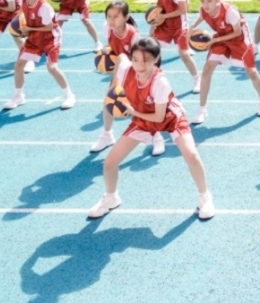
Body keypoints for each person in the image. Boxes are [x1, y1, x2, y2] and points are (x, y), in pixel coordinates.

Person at [86, 37, 216, 221]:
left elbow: (159, 117)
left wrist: (132, 111)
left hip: (169, 117)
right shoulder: (126, 69)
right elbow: (121, 57)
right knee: (109, 163)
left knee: (192, 156)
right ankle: (111, 197)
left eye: (146, 60)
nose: (140, 64)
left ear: (156, 59)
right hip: (142, 117)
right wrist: (115, 86)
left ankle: (205, 197)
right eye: (136, 59)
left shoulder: (160, 81)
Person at [190, 0, 260, 125]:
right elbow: (201, 16)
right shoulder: (203, 9)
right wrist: (191, 28)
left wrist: (215, 40)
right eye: (202, 1)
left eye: (209, 0)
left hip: (240, 39)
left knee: (251, 72)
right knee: (207, 69)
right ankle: (202, 109)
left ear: (218, 0)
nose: (205, 4)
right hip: (221, 37)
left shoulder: (229, 11)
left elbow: (237, 32)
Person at [91, 1, 161, 155]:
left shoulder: (133, 36)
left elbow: (138, 59)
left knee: (142, 107)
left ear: (126, 17)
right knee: (108, 101)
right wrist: (107, 63)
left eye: (116, 16)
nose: (111, 20)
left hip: (137, 70)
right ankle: (107, 135)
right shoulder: (107, 28)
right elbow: (112, 49)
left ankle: (157, 138)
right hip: (120, 70)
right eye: (109, 16)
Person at [3, 0, 75, 111]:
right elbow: (22, 12)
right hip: (34, 37)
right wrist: (20, 25)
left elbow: (48, 27)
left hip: (50, 37)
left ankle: (69, 95)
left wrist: (28, 29)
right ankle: (18, 96)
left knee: (52, 68)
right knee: (19, 65)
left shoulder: (44, 7)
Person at [150, 0, 200, 92]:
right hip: (164, 24)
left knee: (184, 54)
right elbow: (159, 7)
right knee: (151, 50)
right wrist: (153, 24)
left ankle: (197, 79)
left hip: (179, 25)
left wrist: (164, 16)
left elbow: (183, 9)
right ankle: (152, 80)